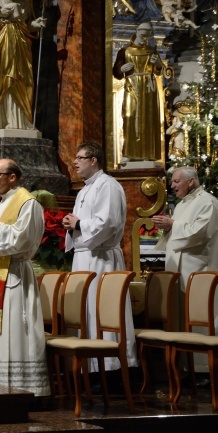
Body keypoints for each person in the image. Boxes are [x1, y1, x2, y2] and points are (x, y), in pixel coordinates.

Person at [0, 159, 50, 396]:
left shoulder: (28, 203)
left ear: (12, 177)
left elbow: (24, 240)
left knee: (16, 330)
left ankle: (21, 388)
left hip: (16, 275)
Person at [62, 142, 138, 372]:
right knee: (88, 311)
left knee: (104, 311)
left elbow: (109, 223)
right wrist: (71, 225)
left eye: (79, 157)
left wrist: (79, 224)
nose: (75, 162)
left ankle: (111, 367)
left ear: (94, 160)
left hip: (102, 259)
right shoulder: (85, 190)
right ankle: (91, 367)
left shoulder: (109, 186)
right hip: (85, 257)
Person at [152, 167, 218, 332]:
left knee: (199, 317)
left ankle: (203, 357)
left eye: (176, 181)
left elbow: (199, 233)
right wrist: (167, 228)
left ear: (191, 181)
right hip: (179, 273)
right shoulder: (182, 204)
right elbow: (176, 233)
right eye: (172, 182)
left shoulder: (208, 202)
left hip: (198, 269)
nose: (172, 186)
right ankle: (181, 357)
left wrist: (172, 225)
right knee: (179, 318)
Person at [0, 0, 46, 130]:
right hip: (5, 38)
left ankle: (23, 121)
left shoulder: (28, 1)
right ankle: (2, 120)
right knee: (6, 76)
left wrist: (35, 24)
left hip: (22, 41)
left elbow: (27, 23)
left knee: (24, 79)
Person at [112, 21, 164, 161]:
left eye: (147, 35)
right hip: (132, 85)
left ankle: (149, 154)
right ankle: (128, 153)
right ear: (137, 32)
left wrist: (158, 64)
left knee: (149, 119)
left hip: (148, 87)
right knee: (129, 115)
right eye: (143, 34)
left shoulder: (152, 50)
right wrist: (121, 69)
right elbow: (116, 72)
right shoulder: (125, 51)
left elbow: (159, 71)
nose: (145, 37)